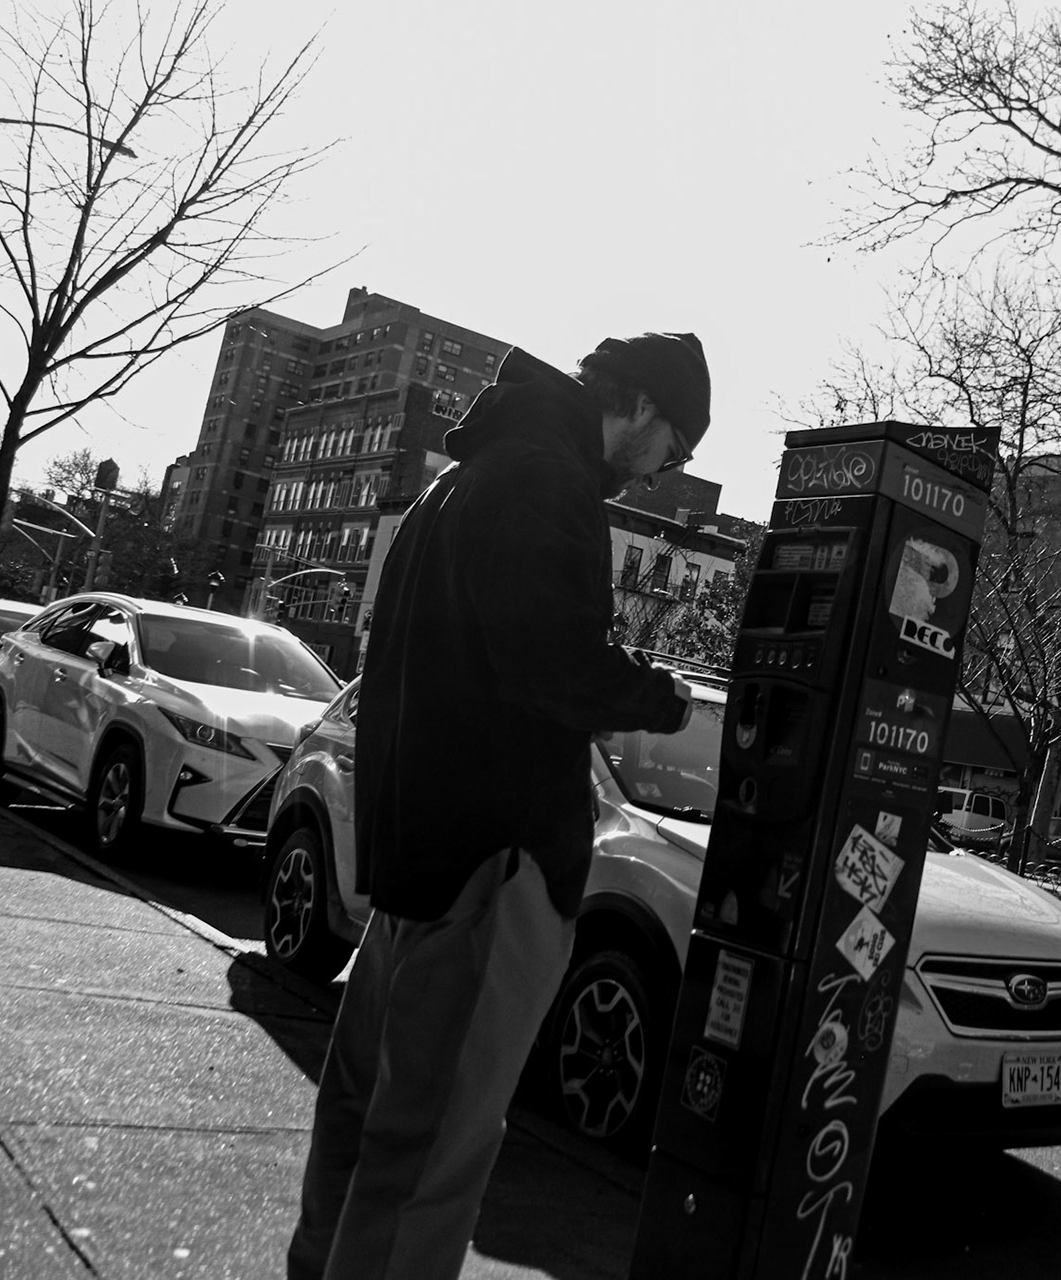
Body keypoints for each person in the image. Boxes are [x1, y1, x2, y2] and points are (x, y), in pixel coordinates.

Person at [287, 332, 713, 1280]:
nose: (663, 472)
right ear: (643, 406)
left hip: (416, 861)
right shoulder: (546, 482)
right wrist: (662, 699)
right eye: (676, 448)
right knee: (432, 1149)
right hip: (493, 864)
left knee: (360, 1119)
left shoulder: (462, 480)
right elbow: (551, 661)